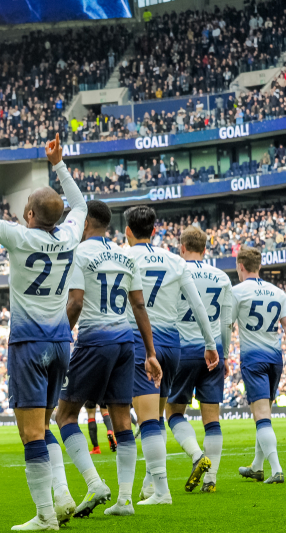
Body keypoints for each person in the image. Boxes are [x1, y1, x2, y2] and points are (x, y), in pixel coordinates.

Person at [0, 133, 86, 531]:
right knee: (43, 426)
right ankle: (60, 499)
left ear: (29, 215)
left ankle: (46, 517)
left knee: (30, 433)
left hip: (29, 345)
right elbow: (80, 205)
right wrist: (59, 164)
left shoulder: (18, 237)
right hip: (61, 341)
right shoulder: (69, 236)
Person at [56, 199, 162, 518]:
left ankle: (94, 483)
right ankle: (125, 500)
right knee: (121, 420)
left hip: (94, 339)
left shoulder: (80, 253)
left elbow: (75, 303)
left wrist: (59, 338)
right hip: (125, 341)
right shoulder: (126, 256)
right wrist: (151, 353)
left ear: (86, 223)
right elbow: (140, 307)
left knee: (65, 416)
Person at [124, 206, 218, 506]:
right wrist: (210, 343)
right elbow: (198, 305)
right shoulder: (175, 260)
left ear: (128, 231)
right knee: (159, 418)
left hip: (142, 341)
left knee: (148, 420)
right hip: (172, 344)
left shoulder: (124, 257)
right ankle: (151, 486)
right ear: (154, 231)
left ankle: (162, 492)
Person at [225, 246, 286, 485]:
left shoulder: (237, 291)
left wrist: (222, 355)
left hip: (254, 359)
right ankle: (257, 467)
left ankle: (277, 469)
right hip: (275, 359)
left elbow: (228, 326)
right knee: (263, 414)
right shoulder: (277, 292)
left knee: (261, 416)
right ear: (259, 266)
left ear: (240, 266)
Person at [166, 226, 236, 493]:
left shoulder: (176, 272)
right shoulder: (221, 277)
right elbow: (227, 321)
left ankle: (197, 455)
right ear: (205, 249)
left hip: (182, 350)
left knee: (173, 412)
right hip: (214, 352)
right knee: (212, 419)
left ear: (181, 247)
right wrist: (226, 355)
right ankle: (211, 480)